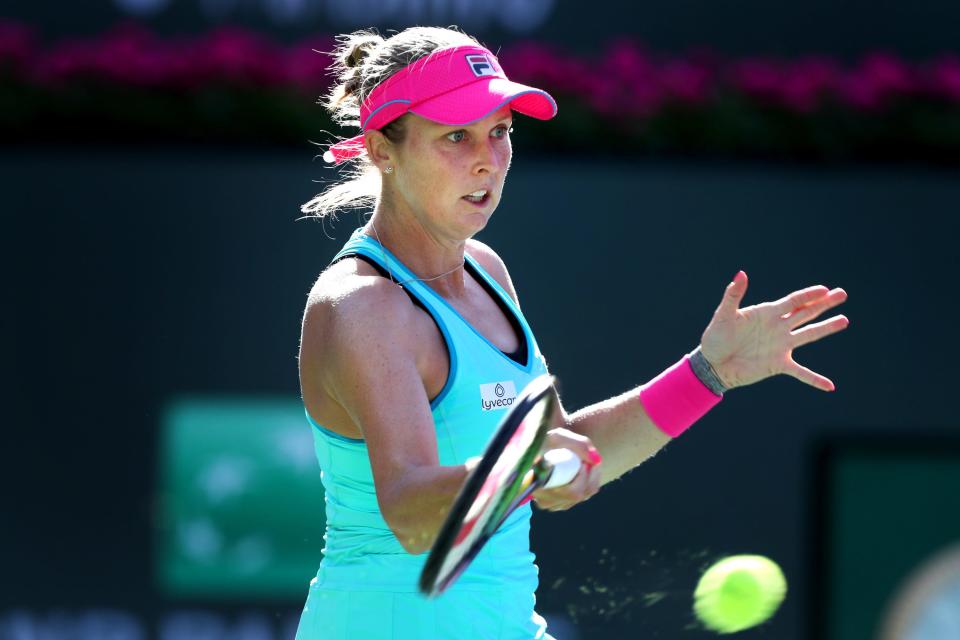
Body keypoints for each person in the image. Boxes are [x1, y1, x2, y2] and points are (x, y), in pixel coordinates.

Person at [295, 26, 849, 640]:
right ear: (381, 149)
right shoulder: (363, 306)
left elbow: (565, 447)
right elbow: (409, 510)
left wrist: (706, 373)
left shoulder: (487, 270)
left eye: (500, 132)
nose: (486, 158)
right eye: (456, 136)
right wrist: (531, 471)